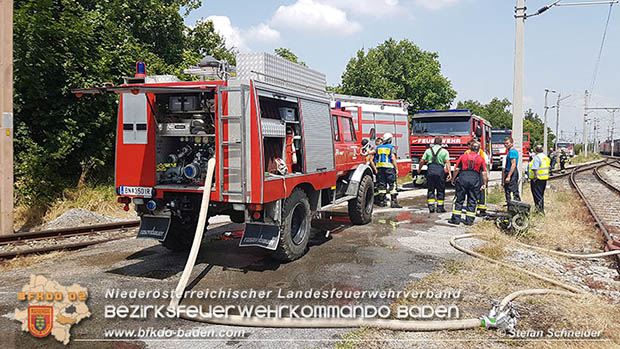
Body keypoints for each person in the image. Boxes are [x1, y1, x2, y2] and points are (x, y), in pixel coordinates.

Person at [449, 141, 488, 225]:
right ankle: (469, 220)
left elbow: (456, 169)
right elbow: (484, 172)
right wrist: (484, 184)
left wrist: (453, 178)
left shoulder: (463, 156)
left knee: (459, 199)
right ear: (478, 150)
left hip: (463, 178)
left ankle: (456, 219)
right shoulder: (481, 159)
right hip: (475, 180)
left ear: (470, 148)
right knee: (472, 200)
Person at [418, 136, 452, 213]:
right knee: (440, 189)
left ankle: (431, 207)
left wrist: (419, 169)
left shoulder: (428, 150)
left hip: (430, 170)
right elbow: (447, 162)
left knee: (431, 189)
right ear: (441, 143)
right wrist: (450, 173)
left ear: (433, 142)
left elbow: (422, 161)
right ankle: (440, 208)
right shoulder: (445, 151)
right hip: (440, 171)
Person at [374, 133, 400, 208]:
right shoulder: (391, 147)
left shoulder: (378, 147)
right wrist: (396, 168)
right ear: (390, 140)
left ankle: (382, 202)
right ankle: (394, 203)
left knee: (382, 185)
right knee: (392, 185)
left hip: (380, 169)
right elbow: (393, 158)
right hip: (389, 168)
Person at [528, 145, 550, 214]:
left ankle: (539, 211)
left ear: (535, 151)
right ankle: (541, 209)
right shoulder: (545, 157)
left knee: (537, 195)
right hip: (544, 178)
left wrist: (535, 177)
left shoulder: (537, 158)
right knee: (541, 195)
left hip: (537, 179)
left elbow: (535, 168)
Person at [503, 136, 521, 202]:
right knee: (507, 189)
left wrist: (509, 176)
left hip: (512, 172)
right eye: (505, 143)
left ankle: (516, 205)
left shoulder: (512, 152)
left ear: (511, 143)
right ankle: (510, 204)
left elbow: (513, 164)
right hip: (510, 171)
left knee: (513, 189)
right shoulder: (509, 151)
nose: (505, 145)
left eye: (507, 143)